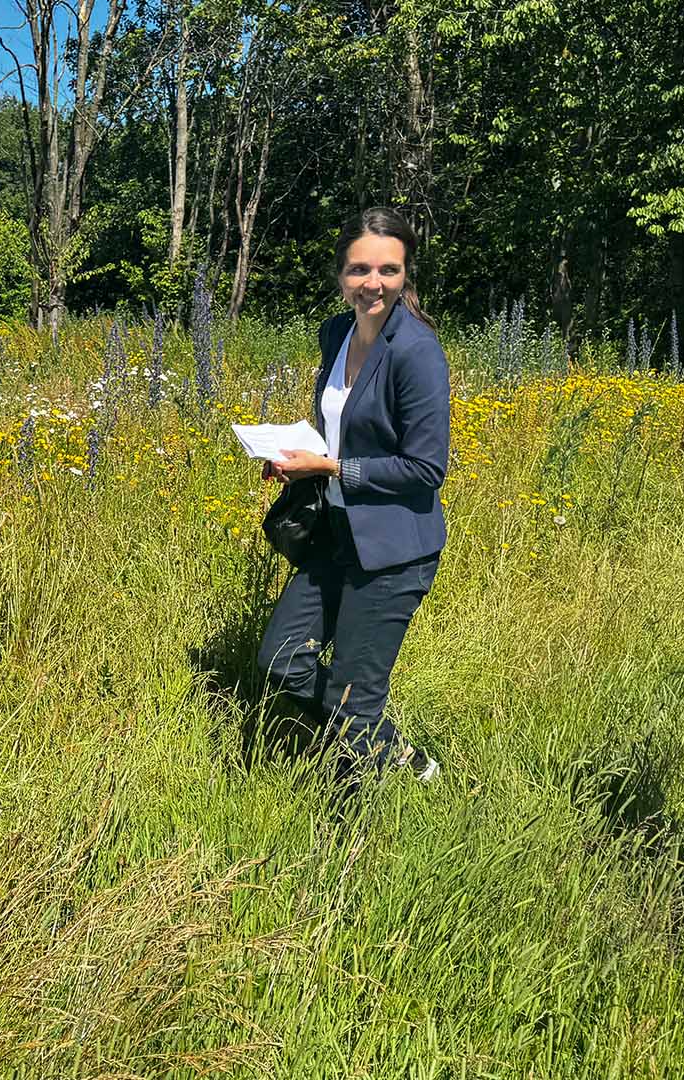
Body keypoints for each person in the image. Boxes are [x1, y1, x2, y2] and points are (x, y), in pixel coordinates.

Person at [256, 207, 452, 783]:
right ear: (340, 273)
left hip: (392, 551)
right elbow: (342, 424)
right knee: (281, 660)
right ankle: (392, 750)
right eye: (360, 269)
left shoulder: (416, 351)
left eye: (389, 270)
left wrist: (333, 467)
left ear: (405, 273)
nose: (374, 283)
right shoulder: (336, 333)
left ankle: (348, 827)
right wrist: (299, 460)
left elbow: (426, 468)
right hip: (335, 532)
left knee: (351, 701)